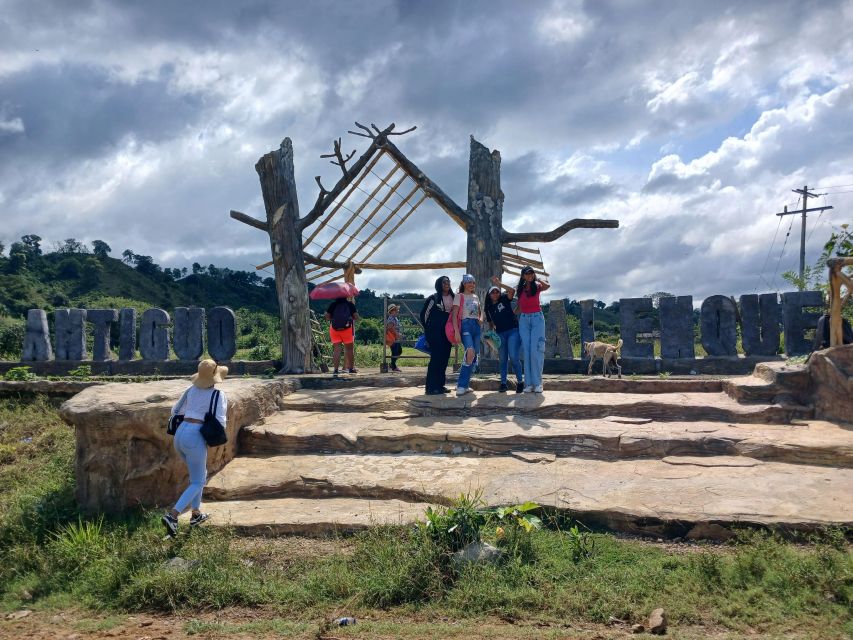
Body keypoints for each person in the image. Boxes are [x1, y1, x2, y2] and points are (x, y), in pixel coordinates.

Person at [162, 359, 228, 537]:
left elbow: (174, 411)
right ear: (215, 376)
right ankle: (173, 516)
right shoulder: (218, 395)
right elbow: (221, 422)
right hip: (195, 437)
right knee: (198, 481)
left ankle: (196, 514)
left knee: (199, 476)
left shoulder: (190, 390)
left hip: (180, 434)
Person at [485, 276, 523, 393]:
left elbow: (512, 291)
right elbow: (491, 323)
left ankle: (520, 382)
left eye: (497, 291)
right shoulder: (488, 307)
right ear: (489, 294)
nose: (495, 294)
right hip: (500, 333)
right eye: (493, 292)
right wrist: (491, 336)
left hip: (513, 331)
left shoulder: (504, 299)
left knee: (514, 357)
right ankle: (503, 383)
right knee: (502, 359)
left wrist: (499, 283)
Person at [517, 265, 550, 393]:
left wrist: (537, 278)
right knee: (527, 351)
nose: (529, 275)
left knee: (536, 350)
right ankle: (529, 384)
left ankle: (538, 383)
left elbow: (547, 286)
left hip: (537, 318)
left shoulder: (537, 286)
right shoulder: (520, 289)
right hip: (524, 320)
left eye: (531, 273)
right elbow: (519, 307)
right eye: (527, 273)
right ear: (523, 275)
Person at [420, 275, 454, 395]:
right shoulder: (433, 298)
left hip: (447, 333)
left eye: (448, 282)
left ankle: (440, 385)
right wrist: (428, 331)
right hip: (434, 332)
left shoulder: (453, 297)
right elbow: (424, 315)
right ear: (439, 284)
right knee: (436, 359)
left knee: (444, 358)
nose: (447, 284)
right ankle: (430, 387)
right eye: (444, 282)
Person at [452, 273, 483, 397]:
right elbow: (454, 315)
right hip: (465, 325)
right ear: (464, 283)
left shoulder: (476, 297)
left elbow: (481, 311)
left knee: (473, 356)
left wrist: (481, 318)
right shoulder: (459, 296)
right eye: (469, 282)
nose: (472, 284)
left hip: (476, 326)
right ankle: (461, 385)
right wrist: (456, 331)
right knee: (469, 352)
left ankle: (464, 385)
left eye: (473, 282)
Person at [325, 296, 359, 376]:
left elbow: (327, 317)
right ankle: (351, 369)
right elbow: (356, 317)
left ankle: (336, 370)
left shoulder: (333, 304)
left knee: (337, 350)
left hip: (334, 329)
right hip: (347, 329)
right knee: (349, 349)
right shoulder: (350, 304)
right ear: (346, 296)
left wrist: (333, 319)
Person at [386, 303, 403, 372]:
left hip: (395, 338)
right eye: (396, 310)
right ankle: (393, 366)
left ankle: (392, 365)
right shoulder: (391, 318)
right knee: (395, 351)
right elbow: (390, 327)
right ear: (391, 311)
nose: (397, 311)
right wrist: (397, 334)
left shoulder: (394, 318)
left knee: (398, 351)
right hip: (393, 338)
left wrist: (399, 334)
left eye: (397, 310)